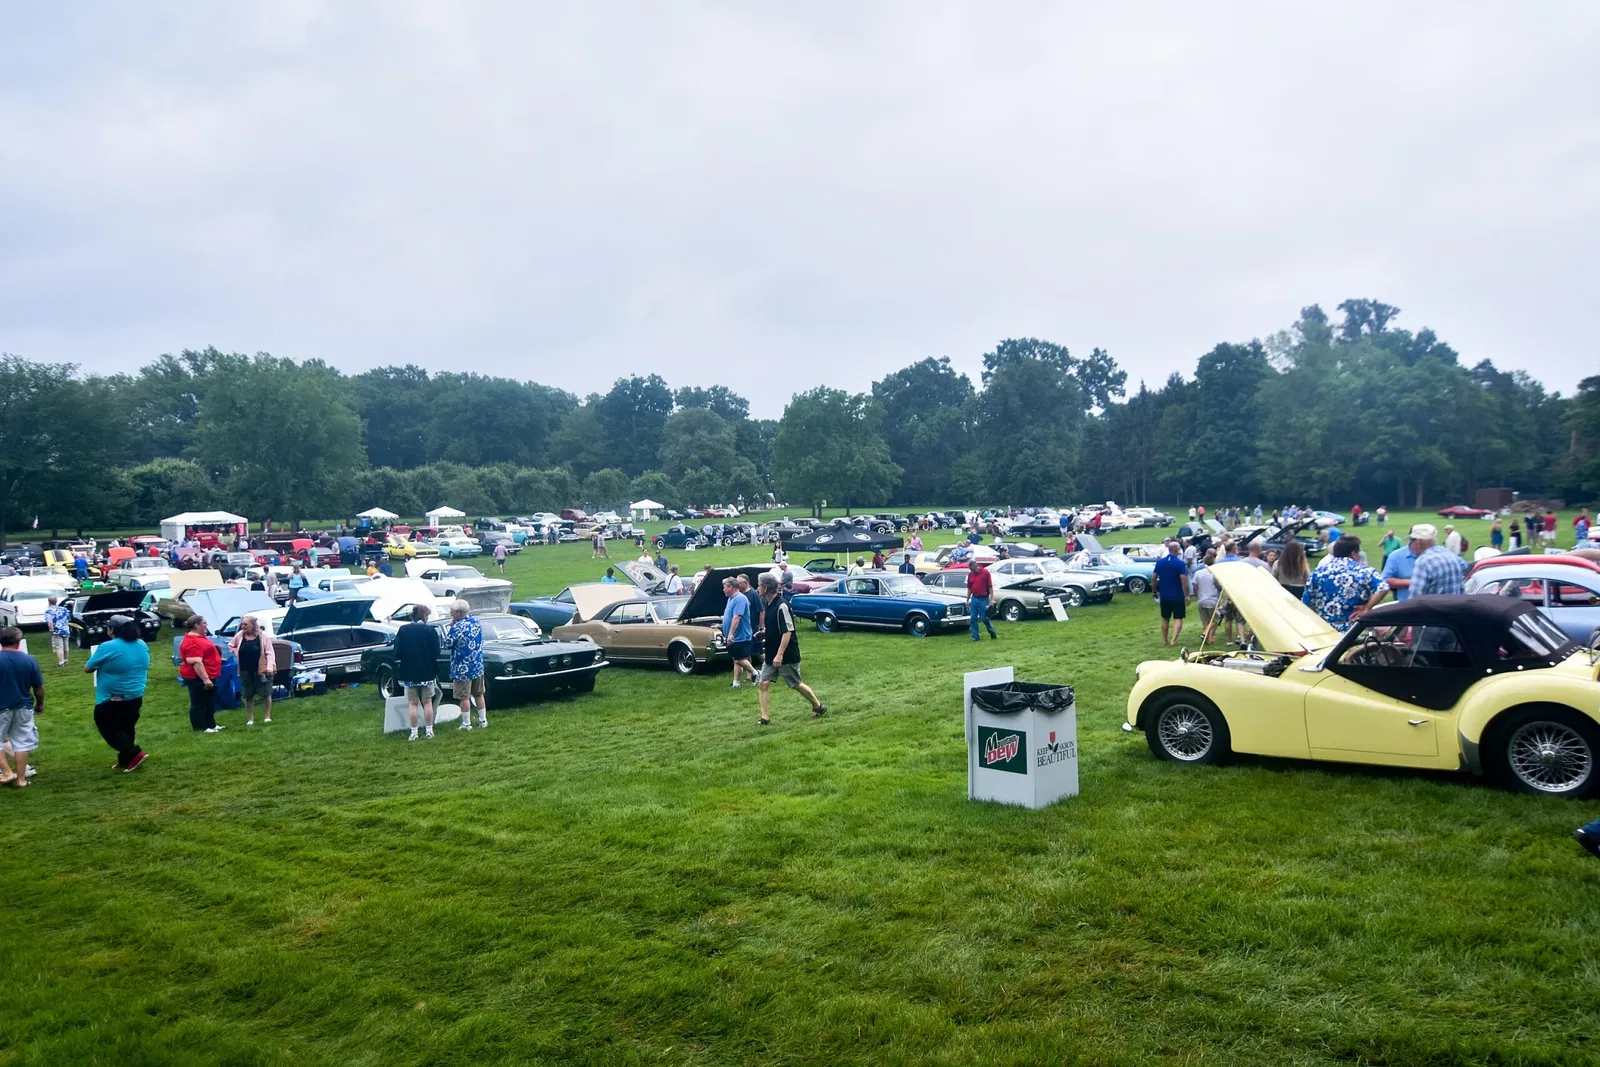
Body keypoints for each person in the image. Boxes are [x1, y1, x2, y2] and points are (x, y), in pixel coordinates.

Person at [756, 573, 825, 726]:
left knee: (795, 684)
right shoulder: (767, 604)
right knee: (763, 683)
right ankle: (765, 718)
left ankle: (818, 706)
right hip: (771, 653)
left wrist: (780, 655)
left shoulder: (782, 605)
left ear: (766, 588)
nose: (757, 588)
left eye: (759, 585)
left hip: (786, 654)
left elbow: (788, 631)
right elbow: (776, 627)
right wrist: (764, 632)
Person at [84, 616, 150, 772]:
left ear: (111, 629)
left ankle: (135, 754)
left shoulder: (107, 646)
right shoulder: (141, 644)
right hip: (135, 695)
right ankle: (125, 761)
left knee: (108, 727)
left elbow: (88, 668)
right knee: (126, 727)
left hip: (112, 697)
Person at [1302, 535, 1387, 631]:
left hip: (1324, 631)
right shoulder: (1364, 571)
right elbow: (1383, 587)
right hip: (1354, 631)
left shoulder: (1318, 572)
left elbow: (1306, 603)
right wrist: (1366, 608)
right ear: (1353, 553)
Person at [0, 627, 43, 787]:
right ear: (18, 642)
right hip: (23, 706)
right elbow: (38, 687)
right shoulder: (29, 660)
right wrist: (40, 704)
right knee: (21, 743)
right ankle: (21, 779)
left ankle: (6, 773)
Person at [394, 603, 441, 741]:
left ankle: (413, 733)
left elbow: (397, 652)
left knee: (412, 703)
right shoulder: (430, 630)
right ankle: (429, 731)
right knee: (427, 702)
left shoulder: (403, 630)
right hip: (427, 671)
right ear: (425, 616)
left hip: (409, 671)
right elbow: (436, 652)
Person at [444, 600, 487, 730]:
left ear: (458, 612)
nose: (451, 614)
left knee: (464, 696)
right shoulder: (476, 621)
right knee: (479, 694)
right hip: (477, 665)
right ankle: (483, 720)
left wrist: (451, 626)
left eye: (452, 612)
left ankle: (466, 723)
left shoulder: (456, 628)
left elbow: (447, 644)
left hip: (462, 668)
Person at [229, 614, 277, 725]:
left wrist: (269, 667)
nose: (243, 627)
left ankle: (267, 716)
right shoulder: (240, 635)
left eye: (246, 624)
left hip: (261, 670)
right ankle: (250, 719)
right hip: (245, 670)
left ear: (253, 625)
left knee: (266, 693)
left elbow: (270, 653)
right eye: (242, 624)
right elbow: (231, 645)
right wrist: (237, 652)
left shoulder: (263, 636)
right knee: (248, 694)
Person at [178, 615, 222, 733]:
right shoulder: (193, 642)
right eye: (204, 623)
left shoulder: (200, 637)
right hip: (197, 677)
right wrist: (206, 679)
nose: (206, 625)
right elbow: (196, 662)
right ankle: (200, 727)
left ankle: (211, 724)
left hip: (210, 674)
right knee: (199, 702)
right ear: (197, 625)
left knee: (210, 701)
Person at [1404, 524, 1467, 598]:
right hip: (1456, 607)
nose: (1410, 545)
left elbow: (1415, 598)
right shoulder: (1452, 556)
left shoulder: (1423, 562)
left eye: (1411, 541)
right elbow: (1462, 588)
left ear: (1418, 543)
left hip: (1432, 609)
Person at [1152, 541, 1190, 646]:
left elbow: (1154, 577)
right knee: (1178, 617)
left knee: (1165, 617)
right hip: (1177, 594)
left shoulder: (1160, 562)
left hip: (1164, 595)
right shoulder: (1179, 563)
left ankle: (1165, 640)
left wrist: (1154, 591)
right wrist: (1187, 594)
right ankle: (1173, 640)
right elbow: (1184, 579)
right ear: (1177, 550)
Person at [721, 577, 755, 687]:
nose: (723, 590)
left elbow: (737, 617)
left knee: (739, 658)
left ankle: (756, 673)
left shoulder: (740, 598)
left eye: (724, 587)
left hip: (740, 635)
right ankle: (736, 682)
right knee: (737, 659)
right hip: (735, 635)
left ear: (730, 587)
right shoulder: (731, 598)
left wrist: (731, 634)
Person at [965, 559, 998, 642]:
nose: (975, 570)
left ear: (977, 566)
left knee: (984, 617)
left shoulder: (985, 573)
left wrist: (992, 599)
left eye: (975, 568)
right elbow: (969, 588)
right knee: (973, 618)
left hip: (984, 598)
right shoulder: (970, 575)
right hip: (974, 598)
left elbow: (990, 586)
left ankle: (991, 631)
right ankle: (975, 638)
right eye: (973, 570)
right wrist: (967, 600)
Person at [1192, 550, 1222, 637]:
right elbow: (1218, 586)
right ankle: (1205, 633)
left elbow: (1195, 586)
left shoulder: (1198, 573)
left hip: (1201, 599)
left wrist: (1197, 595)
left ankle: (1208, 638)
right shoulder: (1214, 573)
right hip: (1212, 599)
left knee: (1205, 620)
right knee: (1215, 619)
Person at [738, 574, 764, 664]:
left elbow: (761, 611)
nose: (737, 585)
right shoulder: (740, 595)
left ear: (745, 583)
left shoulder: (753, 594)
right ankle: (750, 675)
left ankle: (772, 666)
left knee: (758, 651)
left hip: (753, 627)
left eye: (739, 583)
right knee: (747, 651)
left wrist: (761, 626)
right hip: (744, 627)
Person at [43, 596, 70, 667]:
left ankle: (61, 662)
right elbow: (68, 618)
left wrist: (52, 630)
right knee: (66, 646)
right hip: (65, 629)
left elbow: (50, 622)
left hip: (56, 631)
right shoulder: (64, 609)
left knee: (59, 647)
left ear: (49, 601)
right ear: (56, 601)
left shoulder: (49, 611)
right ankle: (66, 660)